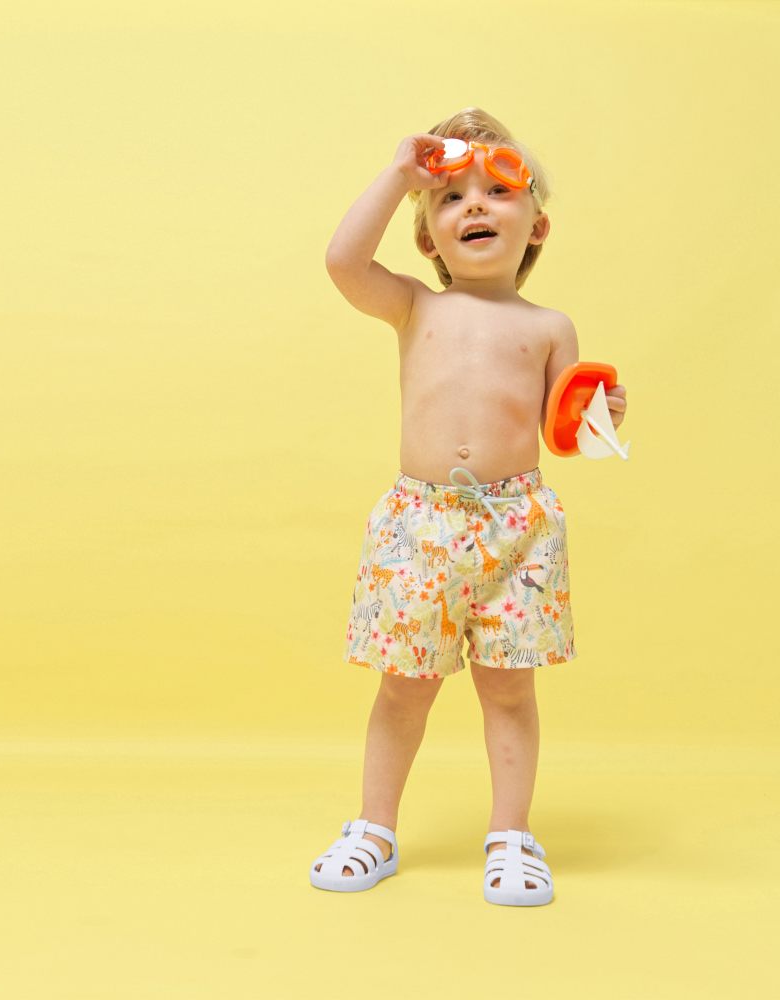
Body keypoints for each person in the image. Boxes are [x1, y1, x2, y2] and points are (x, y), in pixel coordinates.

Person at [309, 108, 628, 905]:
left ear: (537, 224)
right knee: (402, 687)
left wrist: (599, 416)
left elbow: (561, 432)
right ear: (427, 240)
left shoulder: (550, 326)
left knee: (510, 688)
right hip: (419, 528)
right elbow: (343, 261)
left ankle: (512, 835)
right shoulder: (415, 306)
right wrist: (398, 176)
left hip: (517, 530)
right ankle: (375, 828)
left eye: (496, 191)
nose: (475, 206)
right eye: (451, 199)